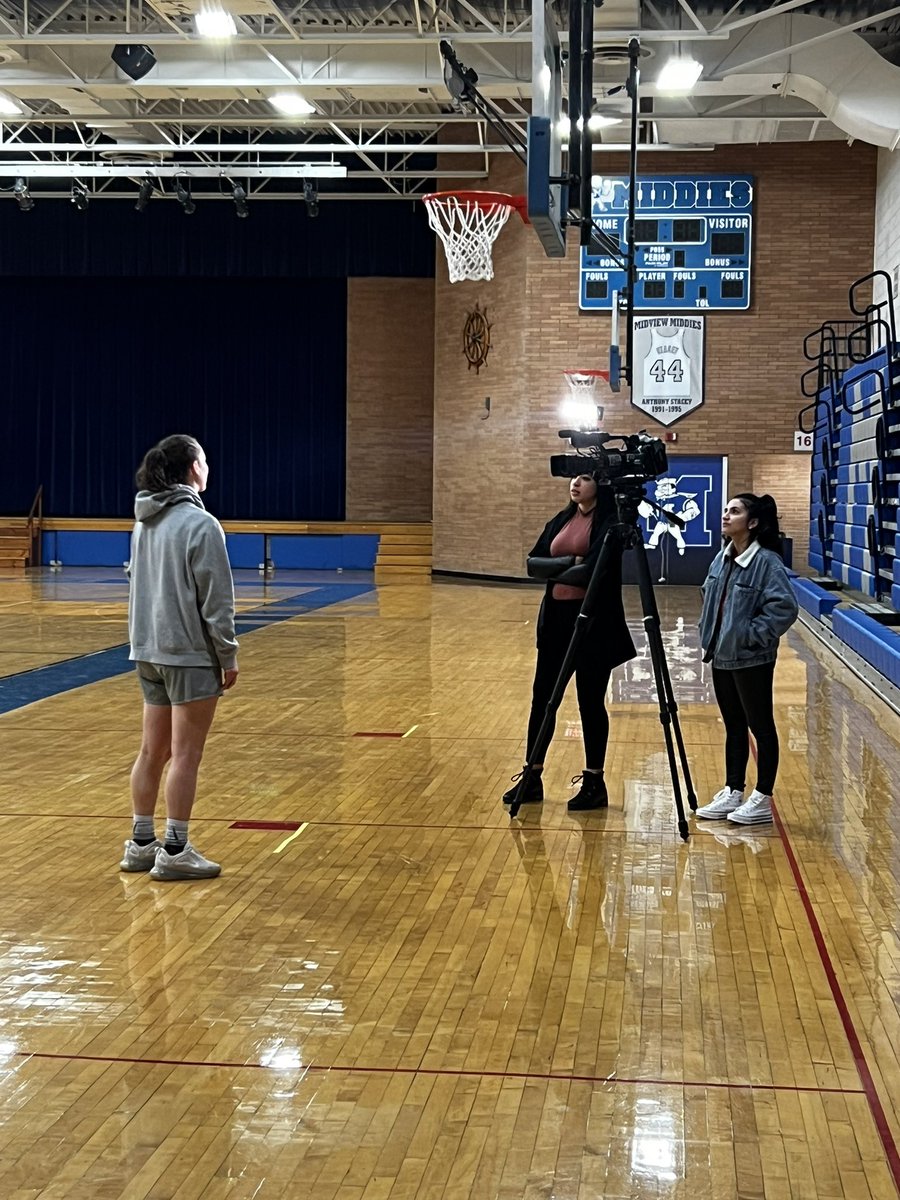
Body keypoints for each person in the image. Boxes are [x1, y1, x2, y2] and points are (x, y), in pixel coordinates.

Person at [120, 434, 239, 881]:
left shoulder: (143, 522)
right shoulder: (200, 524)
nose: (207, 467)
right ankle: (175, 848)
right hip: (188, 653)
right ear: (192, 468)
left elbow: (134, 581)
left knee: (153, 751)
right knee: (186, 755)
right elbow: (216, 600)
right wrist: (227, 655)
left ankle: (140, 843)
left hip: (147, 650)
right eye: (204, 460)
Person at [502, 474, 636, 811]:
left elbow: (590, 573)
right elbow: (533, 563)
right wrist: (567, 564)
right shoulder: (561, 519)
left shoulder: (610, 523)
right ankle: (531, 776)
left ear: (600, 485)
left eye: (586, 478)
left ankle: (594, 781)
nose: (575, 483)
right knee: (542, 699)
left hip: (594, 624)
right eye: (574, 478)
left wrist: (558, 568)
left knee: (590, 703)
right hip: (556, 624)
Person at [695, 493, 798, 826]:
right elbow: (707, 595)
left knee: (761, 727)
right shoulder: (721, 558)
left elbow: (784, 608)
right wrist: (711, 631)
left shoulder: (767, 562)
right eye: (726, 510)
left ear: (752, 523)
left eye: (734, 512)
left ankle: (762, 797)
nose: (726, 515)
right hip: (721, 655)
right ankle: (733, 790)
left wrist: (750, 635)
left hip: (752, 658)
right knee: (734, 726)